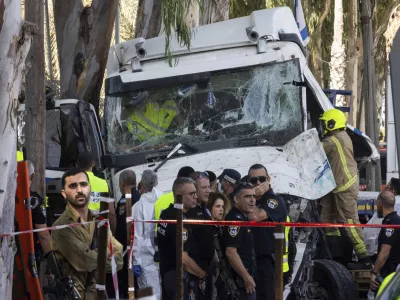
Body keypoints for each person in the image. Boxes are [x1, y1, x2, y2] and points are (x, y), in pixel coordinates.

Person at [51, 168, 123, 300]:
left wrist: (99, 256)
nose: (79, 190)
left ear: (89, 188)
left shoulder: (98, 221)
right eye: (73, 186)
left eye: (83, 185)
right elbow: (86, 262)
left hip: (99, 293)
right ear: (64, 193)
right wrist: (107, 252)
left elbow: (118, 259)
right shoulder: (61, 227)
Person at [319, 109, 370, 270]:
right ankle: (335, 254)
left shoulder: (333, 140)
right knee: (328, 219)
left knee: (349, 222)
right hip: (337, 186)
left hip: (344, 186)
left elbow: (313, 151)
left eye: (325, 122)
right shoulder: (341, 136)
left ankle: (364, 259)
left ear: (332, 123)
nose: (323, 125)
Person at [157, 177, 206, 300]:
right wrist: (203, 275)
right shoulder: (178, 219)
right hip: (179, 279)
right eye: (191, 194)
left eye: (195, 192)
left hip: (168, 275)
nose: (196, 196)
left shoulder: (166, 213)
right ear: (179, 195)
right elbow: (184, 260)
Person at [246, 164, 287, 300]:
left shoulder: (275, 201)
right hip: (249, 259)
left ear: (268, 179)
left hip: (267, 262)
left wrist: (252, 196)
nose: (258, 183)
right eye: (253, 180)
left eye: (261, 179)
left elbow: (256, 216)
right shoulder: (250, 199)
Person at [109, 169, 140, 299]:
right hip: (138, 246)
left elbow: (122, 226)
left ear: (121, 183)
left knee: (127, 283)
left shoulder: (125, 200)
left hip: (127, 249)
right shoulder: (140, 197)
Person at [223, 182, 257, 300]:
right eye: (247, 196)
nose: (252, 200)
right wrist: (247, 278)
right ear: (236, 199)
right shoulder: (235, 220)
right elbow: (230, 252)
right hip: (239, 282)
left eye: (254, 196)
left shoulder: (242, 218)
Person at [132, 169, 161, 299]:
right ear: (157, 182)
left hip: (146, 259)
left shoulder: (138, 207)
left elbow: (136, 236)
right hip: (165, 257)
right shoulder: (164, 199)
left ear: (141, 184)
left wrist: (135, 260)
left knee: (147, 295)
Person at [187, 171, 215, 299]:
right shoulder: (189, 212)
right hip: (195, 273)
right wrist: (200, 274)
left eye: (209, 187)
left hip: (208, 269)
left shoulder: (205, 208)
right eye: (204, 188)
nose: (208, 191)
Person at [370, 191, 400, 292]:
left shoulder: (390, 223)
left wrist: (374, 273)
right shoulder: (397, 220)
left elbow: (385, 251)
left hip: (389, 275)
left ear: (380, 204)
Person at [27, 161, 53, 267]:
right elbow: (43, 235)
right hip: (29, 254)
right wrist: (52, 265)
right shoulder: (35, 201)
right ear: (32, 176)